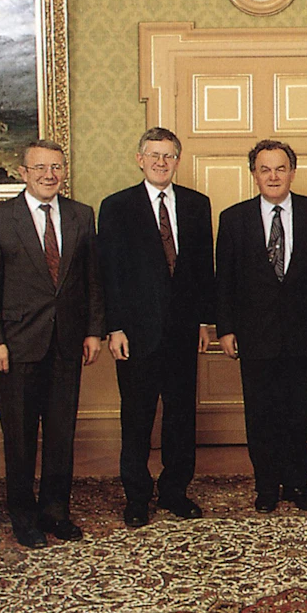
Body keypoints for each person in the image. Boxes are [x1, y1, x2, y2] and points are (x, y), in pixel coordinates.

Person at [0, 140, 104, 549]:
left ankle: (55, 512)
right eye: (40, 167)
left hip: (67, 342)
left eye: (57, 167)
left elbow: (91, 281)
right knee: (20, 436)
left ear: (64, 171)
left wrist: (93, 330)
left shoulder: (82, 215)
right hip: (16, 346)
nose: (50, 175)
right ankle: (23, 516)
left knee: (62, 434)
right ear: (23, 172)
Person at [98, 128, 215, 529]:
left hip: (183, 330)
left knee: (181, 415)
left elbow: (202, 270)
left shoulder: (198, 205)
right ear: (139, 159)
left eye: (168, 156)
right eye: (154, 155)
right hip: (135, 332)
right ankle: (136, 496)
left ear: (177, 161)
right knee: (137, 417)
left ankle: (175, 491)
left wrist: (203, 321)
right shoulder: (116, 207)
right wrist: (114, 327)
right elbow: (108, 273)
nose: (161, 163)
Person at [215, 139, 307, 513]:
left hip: (303, 333)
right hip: (254, 335)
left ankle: (298, 484)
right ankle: (266, 486)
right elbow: (225, 280)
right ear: (253, 174)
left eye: (280, 168)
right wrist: (226, 328)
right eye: (264, 169)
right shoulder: (233, 219)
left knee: (298, 412)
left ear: (292, 173)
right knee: (261, 413)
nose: (273, 175)